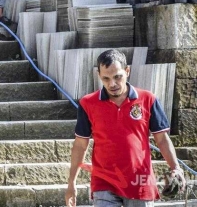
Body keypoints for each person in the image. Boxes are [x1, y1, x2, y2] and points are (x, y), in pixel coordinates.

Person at [66, 49, 184, 207]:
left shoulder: (148, 99)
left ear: (127, 71)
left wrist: (176, 168)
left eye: (117, 77)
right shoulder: (88, 103)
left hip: (139, 182)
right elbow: (80, 145)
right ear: (98, 75)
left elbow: (161, 139)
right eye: (106, 78)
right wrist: (71, 183)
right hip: (104, 181)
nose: (112, 84)